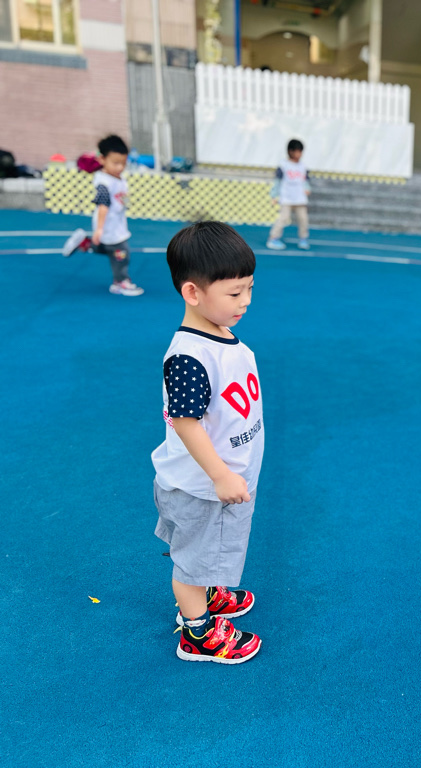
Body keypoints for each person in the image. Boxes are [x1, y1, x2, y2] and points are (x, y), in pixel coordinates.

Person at [152, 221, 264, 663]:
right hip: (202, 487)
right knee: (193, 560)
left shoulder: (220, 334)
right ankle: (196, 631)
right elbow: (186, 423)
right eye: (235, 293)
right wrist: (219, 475)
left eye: (249, 288)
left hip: (222, 478)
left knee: (210, 549)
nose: (246, 301)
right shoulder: (189, 356)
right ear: (193, 293)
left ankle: (207, 591)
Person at [61, 134, 144, 296]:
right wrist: (99, 229)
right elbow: (103, 206)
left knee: (108, 249)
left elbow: (122, 196)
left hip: (116, 223)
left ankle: (84, 243)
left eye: (123, 163)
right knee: (122, 254)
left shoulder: (117, 177)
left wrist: (126, 204)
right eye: (116, 163)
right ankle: (120, 282)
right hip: (109, 225)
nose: (120, 167)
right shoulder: (104, 183)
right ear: (102, 159)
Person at [266, 138, 311, 250]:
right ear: (290, 151)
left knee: (303, 219)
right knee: (283, 218)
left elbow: (305, 180)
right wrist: (274, 195)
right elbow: (277, 181)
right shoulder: (283, 165)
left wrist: (307, 188)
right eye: (297, 151)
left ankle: (303, 238)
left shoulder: (303, 166)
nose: (299, 154)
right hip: (287, 197)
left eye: (300, 152)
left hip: (300, 198)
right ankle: (273, 238)